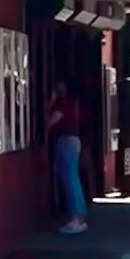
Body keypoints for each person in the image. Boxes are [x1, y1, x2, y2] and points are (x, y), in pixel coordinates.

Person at [48, 81, 87, 235]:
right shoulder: (74, 103)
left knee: (69, 179)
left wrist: (50, 103)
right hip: (74, 140)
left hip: (66, 140)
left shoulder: (63, 104)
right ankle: (80, 217)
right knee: (73, 178)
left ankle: (75, 218)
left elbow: (51, 121)